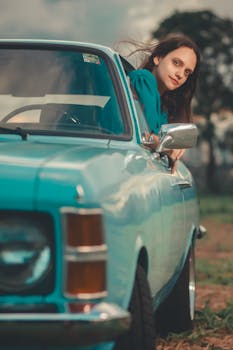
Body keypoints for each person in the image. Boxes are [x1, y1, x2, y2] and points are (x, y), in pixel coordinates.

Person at [128, 33, 201, 171]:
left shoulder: (163, 109)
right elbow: (146, 137)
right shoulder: (144, 78)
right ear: (158, 58)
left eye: (187, 72)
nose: (180, 74)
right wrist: (168, 147)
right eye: (176, 63)